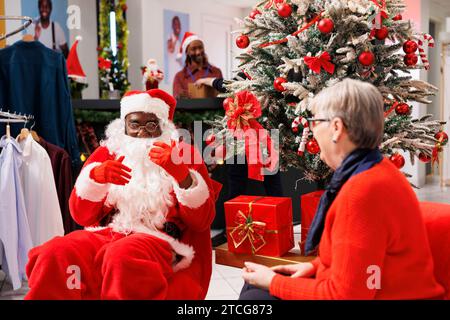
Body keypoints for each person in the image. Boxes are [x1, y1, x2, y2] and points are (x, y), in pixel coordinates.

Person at [239, 79, 445, 300]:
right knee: (254, 289)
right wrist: (316, 266)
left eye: (315, 121)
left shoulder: (362, 191)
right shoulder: (377, 170)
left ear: (336, 128)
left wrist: (274, 282)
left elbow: (346, 295)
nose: (311, 131)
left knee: (256, 297)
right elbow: (360, 255)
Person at [25, 89, 221, 300]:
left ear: (163, 127)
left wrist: (182, 175)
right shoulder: (107, 153)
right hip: (109, 233)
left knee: (122, 256)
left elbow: (202, 220)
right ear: (124, 125)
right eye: (135, 124)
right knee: (57, 251)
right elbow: (79, 215)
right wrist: (96, 178)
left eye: (151, 125)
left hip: (159, 239)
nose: (142, 132)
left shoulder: (184, 155)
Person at [173, 32, 223, 99]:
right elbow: (178, 99)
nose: (198, 52)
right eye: (193, 49)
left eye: (200, 48)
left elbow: (223, 95)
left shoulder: (216, 71)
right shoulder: (180, 76)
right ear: (187, 52)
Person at [166, 16, 183, 84]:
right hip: (172, 68)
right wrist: (175, 39)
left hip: (178, 68)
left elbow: (178, 57)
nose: (177, 26)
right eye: (176, 24)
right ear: (173, 26)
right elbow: (170, 50)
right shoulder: (170, 37)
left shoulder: (179, 41)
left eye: (179, 24)